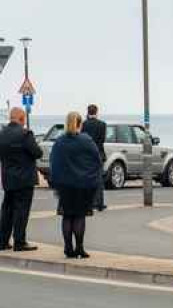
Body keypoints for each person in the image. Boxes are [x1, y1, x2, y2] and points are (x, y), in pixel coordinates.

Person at [49, 111, 103, 259]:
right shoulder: (86, 140)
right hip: (83, 184)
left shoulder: (59, 141)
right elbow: (97, 160)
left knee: (67, 216)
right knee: (79, 216)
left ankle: (68, 248)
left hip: (65, 185)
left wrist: (56, 181)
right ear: (80, 124)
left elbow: (53, 162)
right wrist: (90, 175)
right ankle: (80, 248)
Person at [0, 107, 42, 252]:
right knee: (21, 211)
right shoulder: (25, 134)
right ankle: (19, 241)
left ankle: (3, 241)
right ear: (22, 119)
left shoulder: (2, 134)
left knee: (7, 210)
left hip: (8, 178)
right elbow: (37, 153)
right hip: (24, 179)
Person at [81, 104, 108, 212]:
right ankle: (100, 203)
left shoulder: (83, 124)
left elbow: (82, 139)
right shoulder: (102, 125)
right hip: (98, 154)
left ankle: (88, 203)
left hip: (86, 155)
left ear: (88, 112)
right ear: (96, 112)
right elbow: (102, 140)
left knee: (87, 179)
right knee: (99, 180)